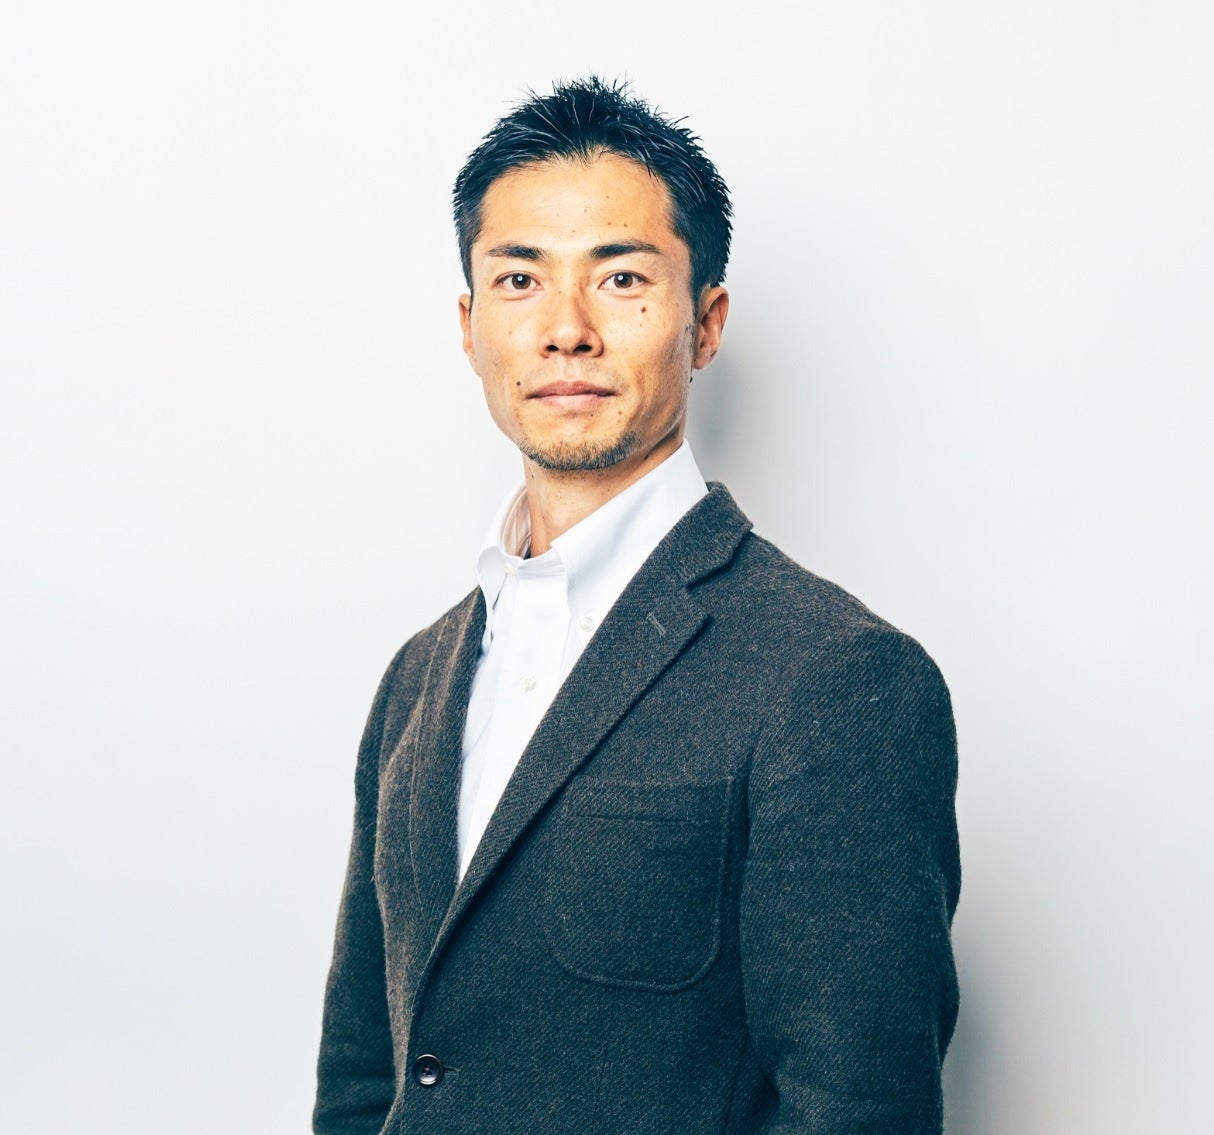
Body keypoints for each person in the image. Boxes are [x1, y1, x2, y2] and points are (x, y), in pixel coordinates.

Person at [313, 76, 960, 1135]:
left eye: (620, 278)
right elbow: (362, 1077)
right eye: (519, 279)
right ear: (470, 327)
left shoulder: (836, 677)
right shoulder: (417, 678)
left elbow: (859, 1111)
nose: (564, 329)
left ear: (705, 324)